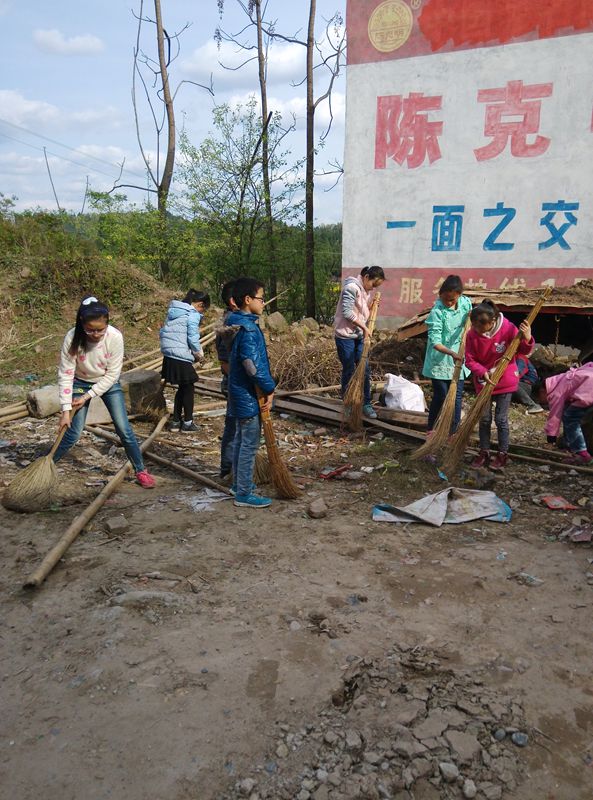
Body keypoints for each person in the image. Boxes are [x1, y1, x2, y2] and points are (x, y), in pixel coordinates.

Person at [54, 296, 155, 488]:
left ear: (107, 322)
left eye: (100, 330)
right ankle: (47, 464)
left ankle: (140, 470)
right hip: (80, 382)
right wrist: (65, 411)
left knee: (124, 429)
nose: (95, 334)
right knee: (73, 432)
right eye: (90, 329)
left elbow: (112, 375)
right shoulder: (72, 337)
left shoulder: (114, 337)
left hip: (107, 382)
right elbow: (66, 374)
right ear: (81, 323)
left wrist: (87, 397)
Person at [465, 299, 534, 471]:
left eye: (480, 326)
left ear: (492, 321)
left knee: (501, 419)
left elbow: (523, 351)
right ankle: (484, 452)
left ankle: (503, 454)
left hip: (505, 379)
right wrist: (482, 371)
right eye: (474, 326)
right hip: (484, 381)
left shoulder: (508, 329)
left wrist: (527, 337)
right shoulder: (472, 334)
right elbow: (470, 360)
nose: (476, 330)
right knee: (484, 419)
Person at [226, 277, 275, 508]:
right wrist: (269, 387)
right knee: (249, 444)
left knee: (240, 439)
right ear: (248, 299)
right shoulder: (248, 329)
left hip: (238, 392)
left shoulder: (235, 323)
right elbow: (251, 365)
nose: (263, 303)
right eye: (261, 298)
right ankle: (244, 494)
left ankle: (239, 485)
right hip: (247, 395)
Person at [422, 274, 472, 435]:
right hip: (440, 360)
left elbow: (470, 322)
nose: (449, 303)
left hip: (459, 358)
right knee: (441, 396)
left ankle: (453, 432)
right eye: (446, 299)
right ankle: (432, 429)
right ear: (440, 294)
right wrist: (451, 353)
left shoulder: (466, 303)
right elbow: (435, 342)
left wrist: (471, 319)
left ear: (459, 295)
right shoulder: (437, 312)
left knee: (456, 398)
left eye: (452, 300)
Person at [333, 265, 386, 419]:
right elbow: (347, 312)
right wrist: (364, 327)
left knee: (365, 369)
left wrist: (370, 307)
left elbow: (360, 312)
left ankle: (366, 403)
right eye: (374, 284)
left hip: (358, 336)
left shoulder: (365, 291)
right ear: (366, 277)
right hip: (345, 336)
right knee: (349, 370)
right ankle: (348, 403)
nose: (373, 288)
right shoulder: (351, 288)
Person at [160, 289, 210, 432]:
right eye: (203, 310)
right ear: (200, 304)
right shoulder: (192, 313)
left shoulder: (174, 311)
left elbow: (163, 332)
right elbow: (193, 337)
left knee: (183, 387)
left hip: (169, 355)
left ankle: (176, 421)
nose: (202, 313)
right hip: (180, 355)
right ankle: (188, 422)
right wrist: (199, 354)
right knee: (189, 388)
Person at [533, 362, 593, 465]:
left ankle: (583, 454)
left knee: (570, 418)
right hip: (588, 382)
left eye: (539, 399)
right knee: (569, 412)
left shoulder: (555, 392)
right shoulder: (559, 380)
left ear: (542, 391)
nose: (541, 402)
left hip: (588, 388)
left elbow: (555, 416)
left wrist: (551, 436)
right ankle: (569, 444)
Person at [215, 280, 239, 480]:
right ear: (234, 301)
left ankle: (233, 469)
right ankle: (228, 470)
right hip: (235, 384)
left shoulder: (237, 321)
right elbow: (225, 362)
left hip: (238, 383)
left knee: (238, 427)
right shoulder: (230, 324)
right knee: (234, 427)